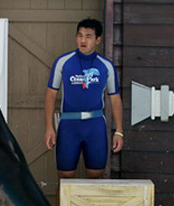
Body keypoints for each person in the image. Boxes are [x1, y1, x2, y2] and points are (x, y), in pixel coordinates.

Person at [44, 18, 123, 179]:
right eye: (80, 35)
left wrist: (119, 132)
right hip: (68, 126)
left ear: (98, 40)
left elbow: (115, 98)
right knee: (65, 178)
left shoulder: (106, 66)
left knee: (95, 177)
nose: (83, 40)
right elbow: (51, 95)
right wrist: (49, 127)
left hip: (95, 126)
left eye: (88, 36)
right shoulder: (63, 62)